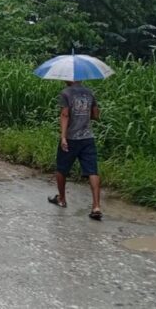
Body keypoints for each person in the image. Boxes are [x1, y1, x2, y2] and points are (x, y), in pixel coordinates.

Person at [48, 80, 102, 220]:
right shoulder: (89, 93)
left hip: (71, 138)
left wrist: (63, 137)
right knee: (92, 171)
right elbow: (96, 115)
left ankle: (61, 199)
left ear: (71, 79)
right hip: (88, 138)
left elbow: (65, 115)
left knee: (62, 168)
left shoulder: (66, 93)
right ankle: (96, 206)